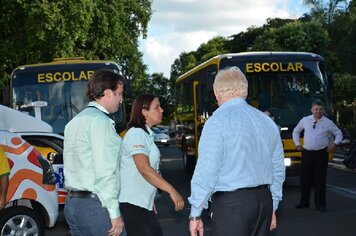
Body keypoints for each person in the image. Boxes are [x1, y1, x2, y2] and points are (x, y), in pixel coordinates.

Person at [188, 67, 285, 236]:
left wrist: (195, 212)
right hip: (264, 202)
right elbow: (277, 168)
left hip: (232, 206)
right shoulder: (267, 121)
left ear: (216, 92)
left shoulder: (217, 122)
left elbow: (207, 171)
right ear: (245, 92)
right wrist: (273, 205)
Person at [63, 69, 125, 236]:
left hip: (72, 205)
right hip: (97, 208)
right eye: (119, 94)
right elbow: (105, 172)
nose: (121, 99)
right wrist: (114, 213)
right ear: (107, 93)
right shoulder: (101, 122)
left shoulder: (74, 122)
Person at [119, 94, 184, 236]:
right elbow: (144, 168)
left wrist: (149, 199)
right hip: (133, 205)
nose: (162, 110)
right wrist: (171, 190)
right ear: (144, 112)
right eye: (157, 107)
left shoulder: (145, 134)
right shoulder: (136, 134)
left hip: (142, 205)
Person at [293, 100, 343, 212]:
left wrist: (334, 144)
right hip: (307, 153)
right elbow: (296, 131)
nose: (318, 111)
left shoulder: (328, 122)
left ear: (323, 110)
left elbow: (339, 133)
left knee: (319, 180)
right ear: (312, 110)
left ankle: (320, 204)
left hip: (321, 153)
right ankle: (304, 202)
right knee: (304, 179)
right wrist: (297, 144)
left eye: (320, 109)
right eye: (316, 109)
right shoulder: (305, 120)